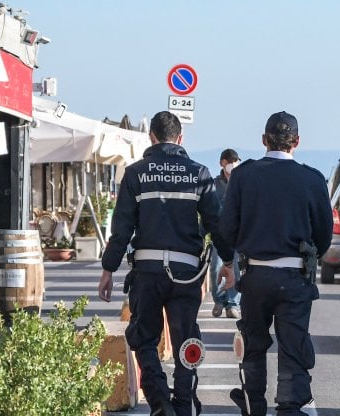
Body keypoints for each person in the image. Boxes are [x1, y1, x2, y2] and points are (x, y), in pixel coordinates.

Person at [98, 111, 235, 416]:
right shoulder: (198, 174)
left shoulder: (135, 174)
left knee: (144, 337)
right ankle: (184, 404)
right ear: (180, 138)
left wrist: (108, 269)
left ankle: (160, 401)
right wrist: (228, 262)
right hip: (187, 273)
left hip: (147, 272)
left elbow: (121, 229)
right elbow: (215, 223)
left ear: (152, 137)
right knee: (187, 338)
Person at [218, 111, 333, 416]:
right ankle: (289, 407)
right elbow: (323, 235)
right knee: (293, 348)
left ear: (264, 140)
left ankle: (253, 404)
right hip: (295, 277)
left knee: (254, 345)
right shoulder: (312, 179)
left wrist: (229, 261)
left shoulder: (244, 175)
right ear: (297, 142)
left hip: (255, 275)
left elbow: (227, 227)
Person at [210, 148, 242, 319]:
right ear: (222, 163)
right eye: (230, 161)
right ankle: (218, 300)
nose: (233, 164)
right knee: (216, 268)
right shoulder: (215, 184)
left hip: (238, 234)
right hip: (219, 234)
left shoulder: (241, 182)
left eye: (235, 161)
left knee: (236, 269)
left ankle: (233, 303)